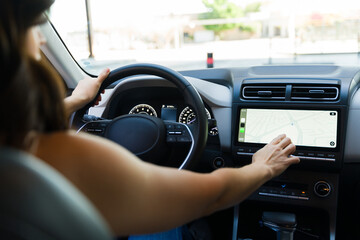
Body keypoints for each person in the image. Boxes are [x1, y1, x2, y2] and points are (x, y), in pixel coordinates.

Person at [0, 0, 300, 237]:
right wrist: (262, 167)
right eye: (34, 26)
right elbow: (214, 195)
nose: (40, 40)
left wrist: (76, 101)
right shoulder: (75, 157)